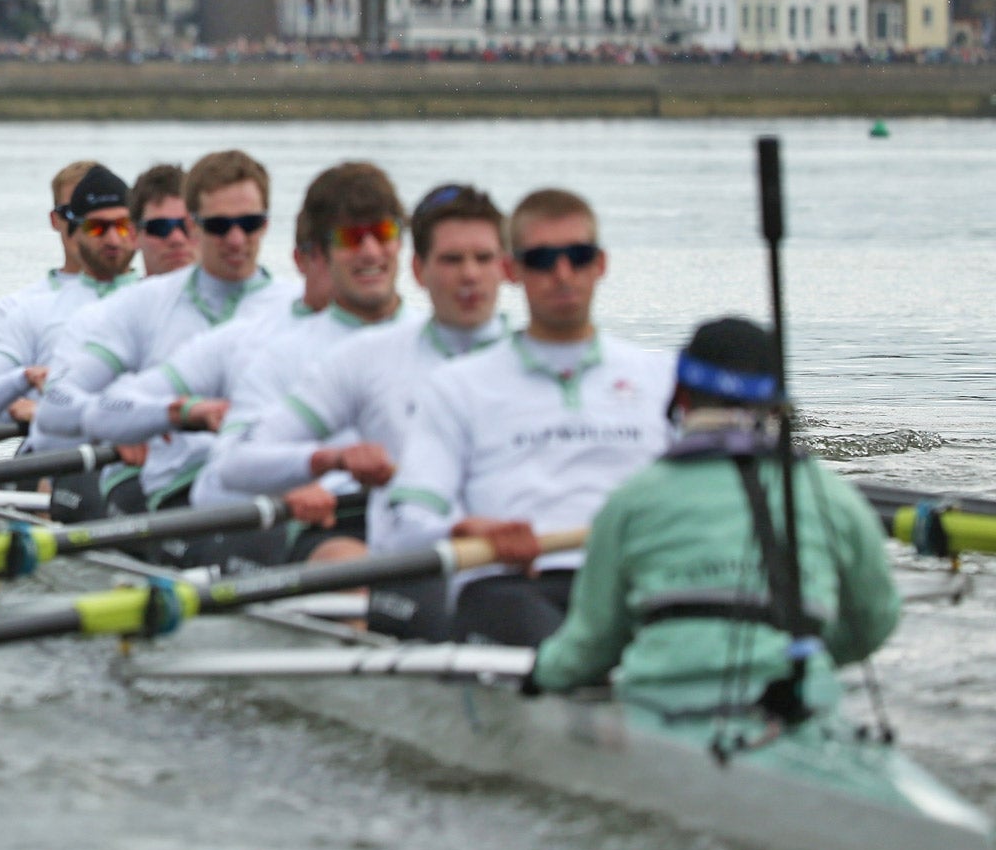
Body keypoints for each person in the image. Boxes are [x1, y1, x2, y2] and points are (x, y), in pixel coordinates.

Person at [530, 317, 899, 725]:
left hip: (663, 716)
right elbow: (875, 619)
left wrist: (538, 675)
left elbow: (591, 644)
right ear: (779, 405)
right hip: (800, 703)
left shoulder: (629, 501)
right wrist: (812, 650)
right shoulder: (834, 497)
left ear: (681, 397)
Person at [202, 183, 514, 633]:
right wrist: (314, 466)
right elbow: (221, 475)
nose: (369, 252)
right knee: (352, 571)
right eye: (351, 239)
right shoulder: (297, 351)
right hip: (345, 528)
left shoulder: (517, 357)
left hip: (486, 533)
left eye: (381, 234)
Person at [381, 187, 675, 647]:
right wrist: (467, 528)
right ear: (512, 270)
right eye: (542, 260)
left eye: (578, 257)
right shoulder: (458, 385)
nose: (562, 275)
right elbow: (409, 523)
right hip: (512, 586)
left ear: (600, 265)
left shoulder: (659, 376)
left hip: (636, 583)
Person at [85, 161, 408, 512]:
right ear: (305, 258)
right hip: (207, 496)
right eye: (351, 241)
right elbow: (103, 411)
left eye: (250, 224)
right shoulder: (254, 342)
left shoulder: (426, 340)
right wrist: (175, 412)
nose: (369, 255)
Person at [27, 150, 279, 515]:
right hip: (149, 479)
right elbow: (54, 413)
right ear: (138, 235)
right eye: (161, 229)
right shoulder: (115, 313)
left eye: (249, 223)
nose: (176, 239)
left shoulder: (288, 307)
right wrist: (131, 423)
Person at [0, 163, 138, 427]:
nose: (110, 238)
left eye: (119, 224)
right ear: (59, 220)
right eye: (93, 222)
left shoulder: (159, 297)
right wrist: (24, 384)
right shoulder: (18, 308)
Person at [128, 163, 198, 277]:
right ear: (133, 235)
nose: (177, 239)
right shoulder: (121, 295)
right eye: (160, 227)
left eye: (188, 225)